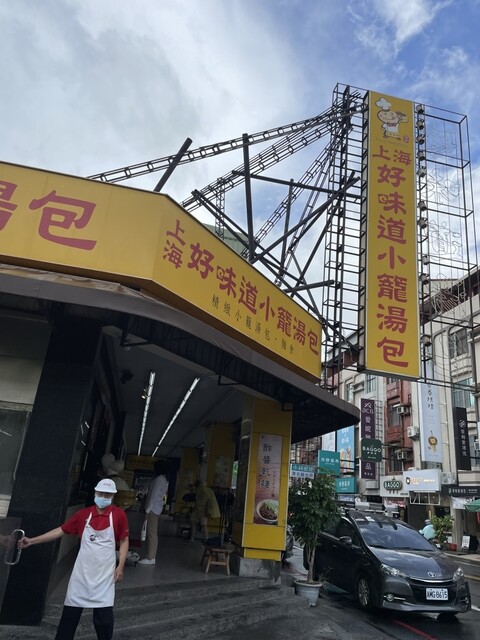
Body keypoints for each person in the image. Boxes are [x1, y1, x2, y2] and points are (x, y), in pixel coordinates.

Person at [17, 478, 129, 640]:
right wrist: (32, 540)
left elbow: (124, 540)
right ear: (95, 493)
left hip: (104, 578)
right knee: (69, 620)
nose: (103, 497)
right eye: (100, 494)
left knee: (104, 621)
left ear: (113, 496)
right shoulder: (83, 515)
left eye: (107, 495)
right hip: (81, 577)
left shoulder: (119, 515)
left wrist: (120, 566)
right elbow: (60, 530)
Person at [138, 460, 169, 565]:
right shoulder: (163, 479)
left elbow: (153, 496)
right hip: (156, 508)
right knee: (152, 533)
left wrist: (147, 510)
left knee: (151, 533)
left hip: (152, 509)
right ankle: (151, 556)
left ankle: (151, 557)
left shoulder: (158, 480)